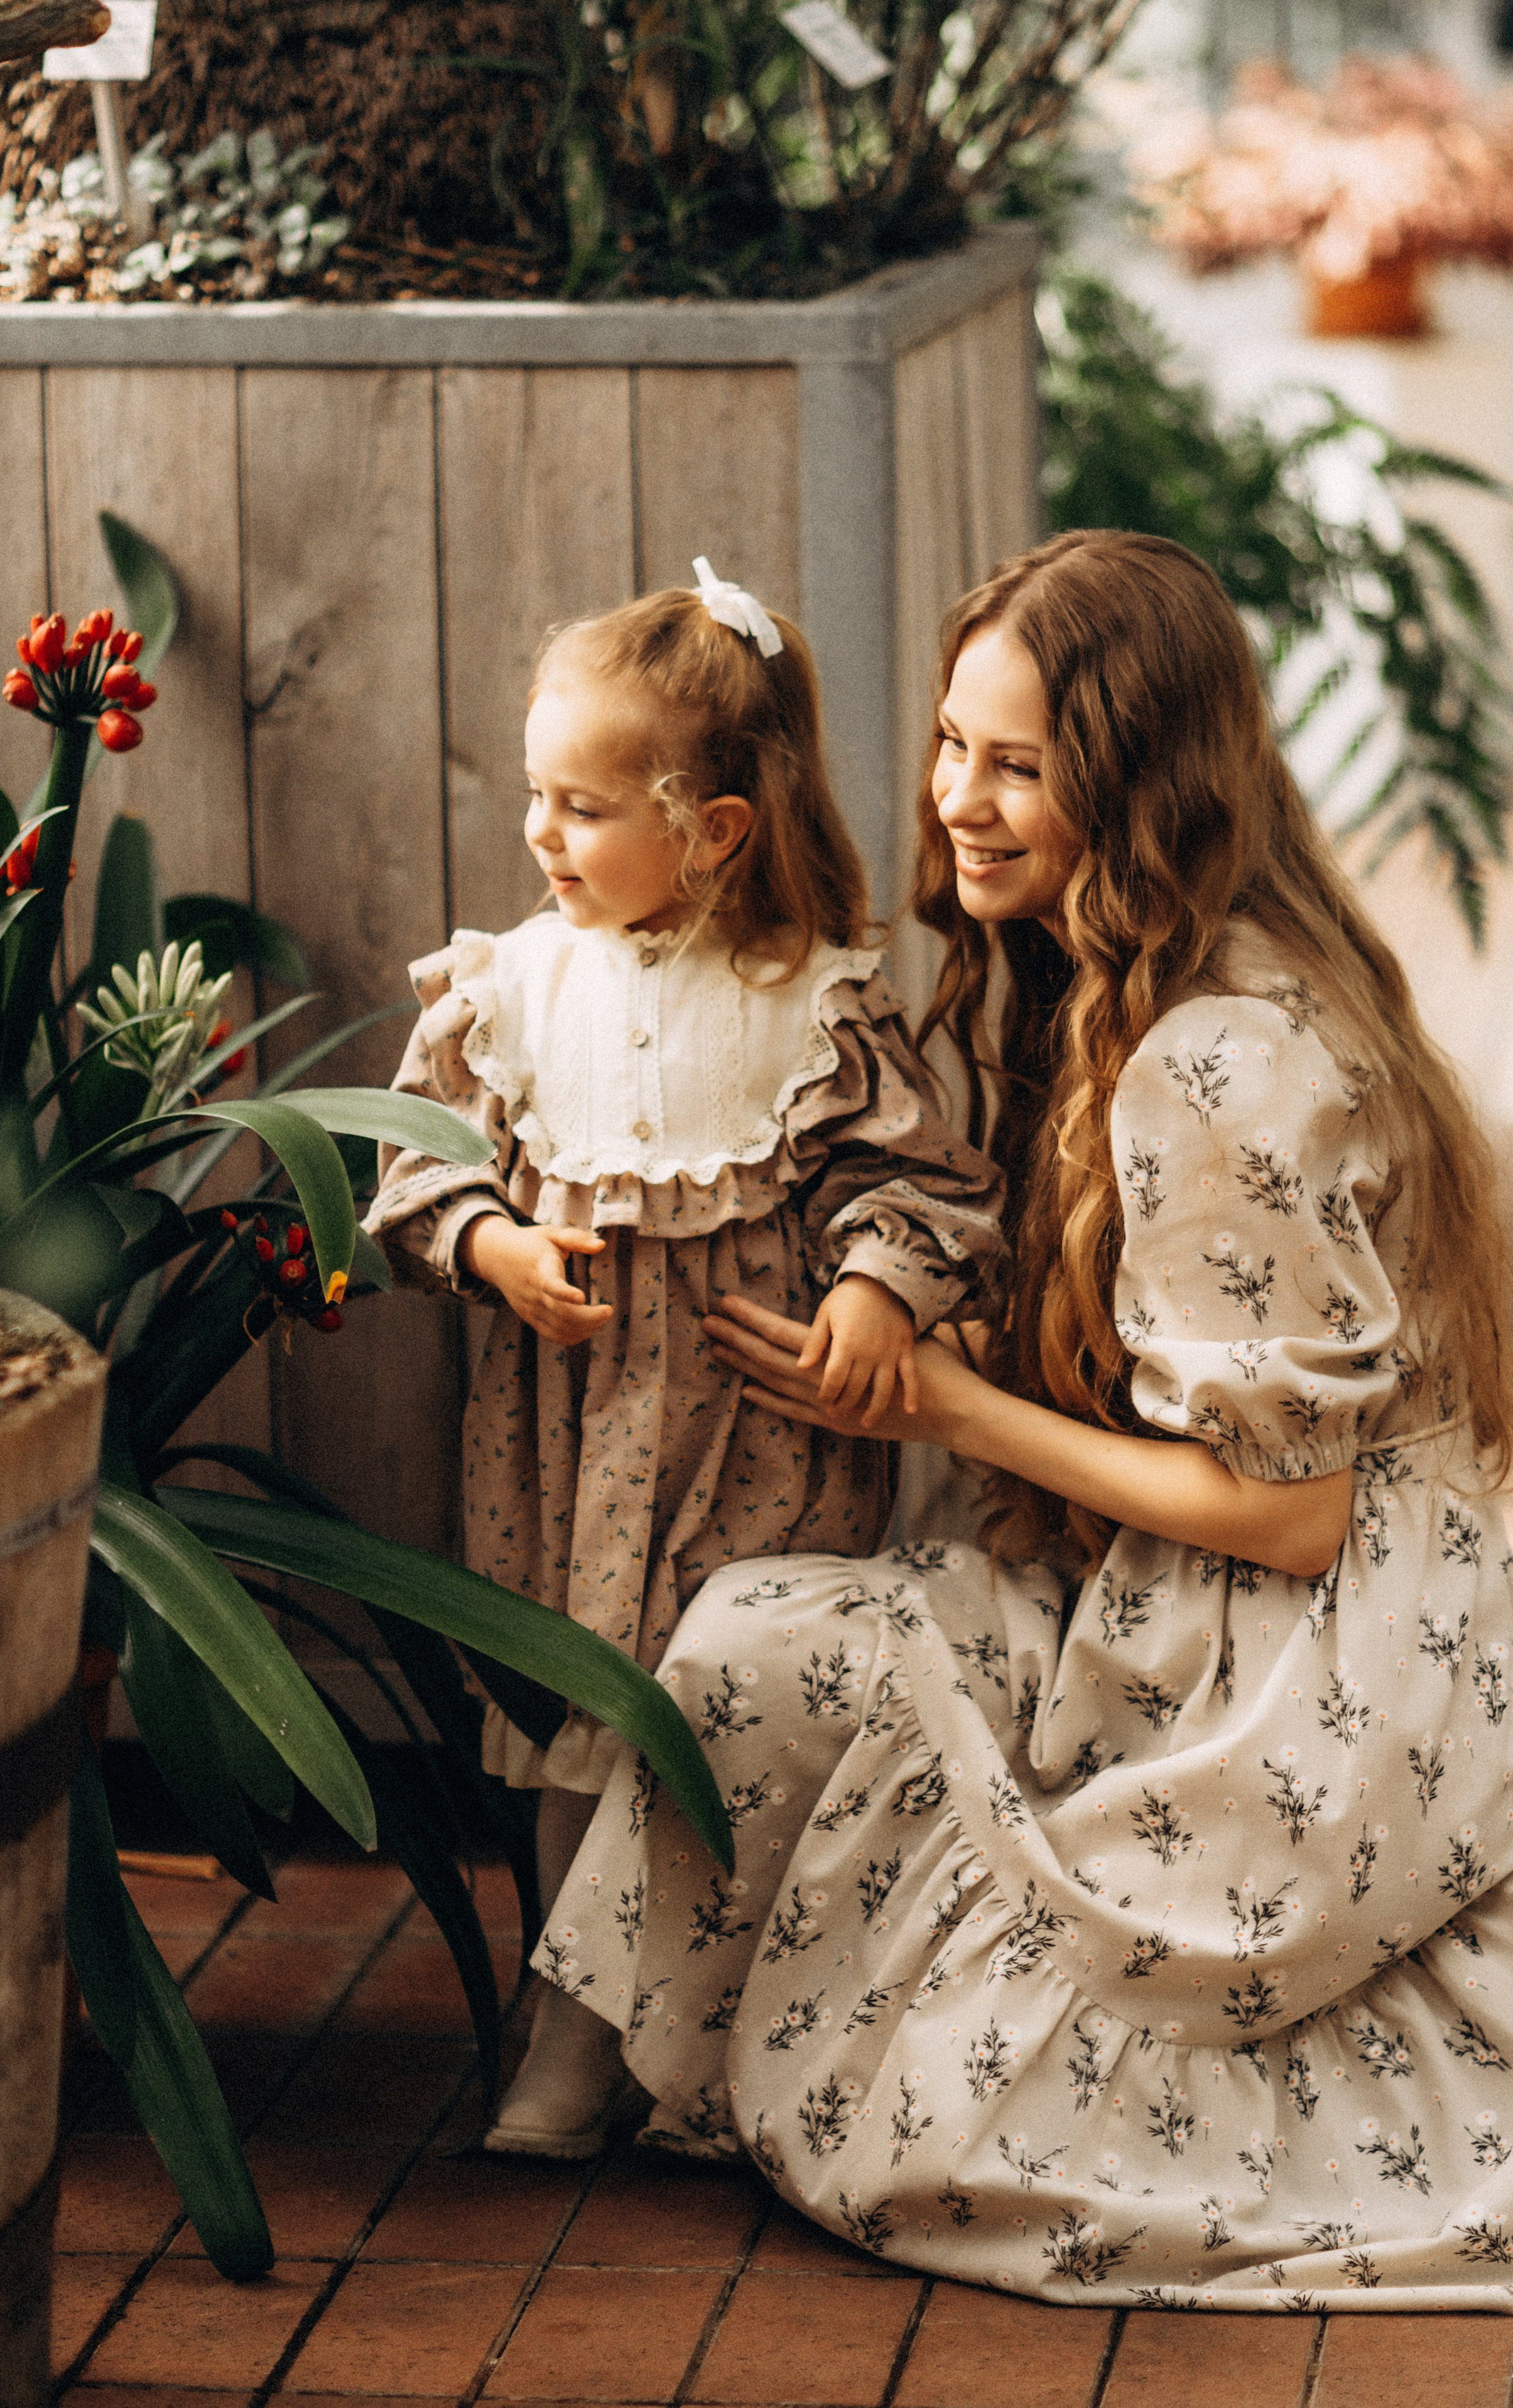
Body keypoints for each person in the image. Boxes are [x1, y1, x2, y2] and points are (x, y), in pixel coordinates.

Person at [528, 529, 1513, 2309]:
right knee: (765, 1630)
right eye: (950, 746)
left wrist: (953, 1406)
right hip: (1194, 1604)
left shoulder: (1215, 1061)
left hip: (1296, 1676)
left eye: (1020, 764)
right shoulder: (1128, 979)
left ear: (1138, 780)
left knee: (945, 2128)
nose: (962, 802)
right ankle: (591, 2068)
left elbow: (1293, 1515)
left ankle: (614, 2070)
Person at [365, 560, 1004, 2157]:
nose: (540, 837)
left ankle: (721, 2042)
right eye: (536, 798)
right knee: (580, 1718)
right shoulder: (509, 993)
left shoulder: (810, 1006)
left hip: (752, 1438)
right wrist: (495, 1246)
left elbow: (917, 1181)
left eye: (583, 809)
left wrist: (873, 1293)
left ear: (709, 829)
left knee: (724, 1718)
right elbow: (411, 1165)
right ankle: (568, 2032)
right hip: (567, 1437)